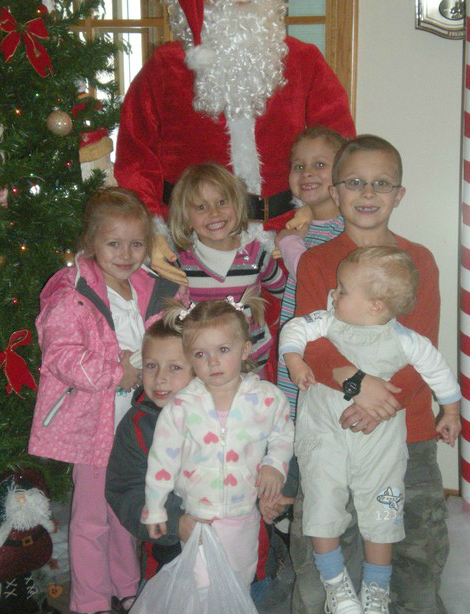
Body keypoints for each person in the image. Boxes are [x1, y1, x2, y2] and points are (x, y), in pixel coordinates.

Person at [290, 134, 457, 614]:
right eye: (355, 182)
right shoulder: (317, 262)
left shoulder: (419, 260)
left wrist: (379, 405)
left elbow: (423, 352)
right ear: (335, 192)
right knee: (318, 571)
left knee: (416, 566)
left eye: (381, 183)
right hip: (332, 432)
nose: (367, 192)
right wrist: (355, 384)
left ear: (398, 195)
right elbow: (309, 342)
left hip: (408, 436)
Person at [28, 188, 180, 614]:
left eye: (136, 244)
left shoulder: (150, 288)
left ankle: (126, 587)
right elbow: (60, 356)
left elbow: (168, 335)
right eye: (114, 244)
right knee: (92, 516)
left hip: (136, 424)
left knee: (124, 506)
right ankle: (92, 599)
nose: (126, 255)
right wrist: (118, 372)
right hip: (93, 424)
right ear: (91, 242)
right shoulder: (71, 292)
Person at [114, 0, 355, 225]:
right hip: (191, 236)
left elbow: (340, 148)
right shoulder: (165, 66)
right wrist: (152, 228)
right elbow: (135, 160)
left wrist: (317, 209)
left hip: (286, 231)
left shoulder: (304, 60)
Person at [142, 296, 294, 590]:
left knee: (238, 584)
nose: (212, 362)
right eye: (200, 354)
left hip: (243, 514)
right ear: (189, 357)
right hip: (199, 518)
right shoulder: (183, 405)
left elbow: (283, 434)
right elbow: (162, 459)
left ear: (245, 349)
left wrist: (275, 464)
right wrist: (156, 507)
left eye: (223, 350)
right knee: (202, 587)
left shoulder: (267, 398)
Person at [156, 162, 286, 373]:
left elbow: (287, 293)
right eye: (201, 207)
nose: (214, 213)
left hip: (251, 366)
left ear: (238, 204)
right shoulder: (180, 263)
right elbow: (167, 314)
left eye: (222, 202)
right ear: (186, 217)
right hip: (202, 369)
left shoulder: (256, 254)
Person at [105, 318, 195, 585]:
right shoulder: (137, 426)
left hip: (240, 555)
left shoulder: (228, 411)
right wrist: (176, 522)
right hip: (169, 560)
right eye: (151, 366)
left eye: (174, 367)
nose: (160, 378)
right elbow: (125, 491)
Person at [275, 126, 347, 419]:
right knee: (292, 418)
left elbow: (311, 275)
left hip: (326, 349)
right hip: (295, 344)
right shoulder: (298, 227)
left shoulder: (344, 229)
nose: (307, 173)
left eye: (319, 164)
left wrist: (288, 243)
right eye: (299, 166)